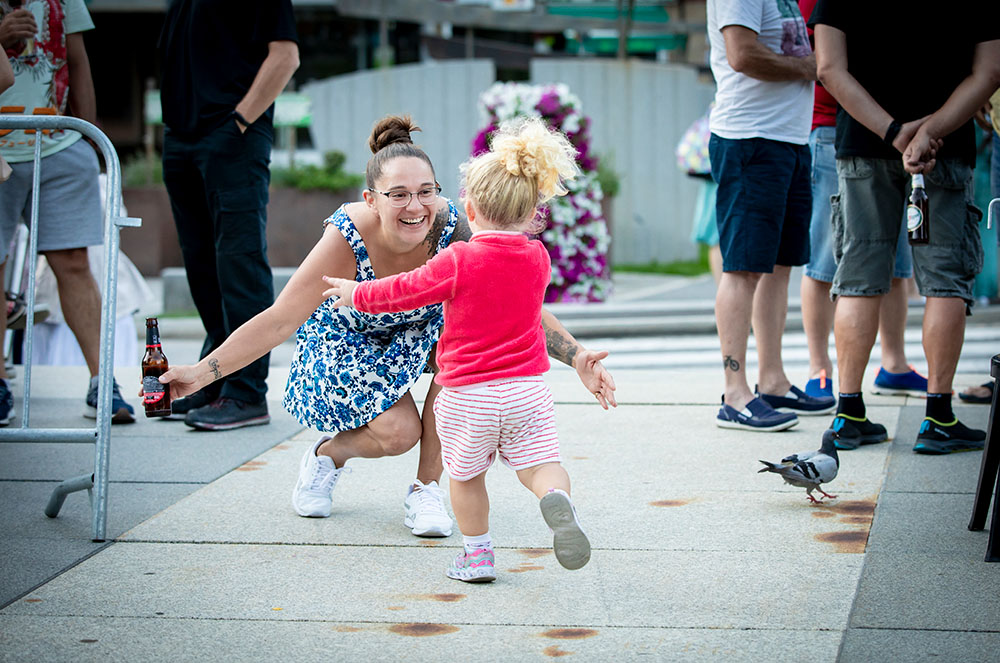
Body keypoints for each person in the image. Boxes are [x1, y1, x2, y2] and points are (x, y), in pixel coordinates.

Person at [159, 116, 617, 541]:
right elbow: (280, 320)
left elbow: (517, 306)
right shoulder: (346, 235)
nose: (416, 206)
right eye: (398, 194)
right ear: (371, 199)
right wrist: (201, 374)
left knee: (465, 354)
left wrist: (577, 355)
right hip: (351, 336)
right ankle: (328, 457)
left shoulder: (454, 227)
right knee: (399, 433)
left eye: (426, 192)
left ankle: (427, 490)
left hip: (423, 333)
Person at [323, 118, 611, 583]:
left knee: (466, 477)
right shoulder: (539, 258)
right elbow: (534, 313)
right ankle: (556, 498)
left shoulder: (458, 259)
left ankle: (477, 556)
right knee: (541, 465)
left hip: (468, 396)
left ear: (470, 211)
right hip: (527, 391)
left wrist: (354, 293)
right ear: (532, 212)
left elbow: (402, 291)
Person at [812, 1, 1000, 454]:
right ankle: (938, 417)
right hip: (946, 146)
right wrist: (930, 130)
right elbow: (990, 71)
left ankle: (849, 413)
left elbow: (829, 68)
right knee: (944, 282)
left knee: (858, 279)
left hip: (862, 142)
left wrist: (893, 131)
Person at [158, 0, 300, 430]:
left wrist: (239, 121)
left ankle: (246, 392)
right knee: (202, 265)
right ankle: (216, 379)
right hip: (182, 137)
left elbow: (285, 56)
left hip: (232, 135)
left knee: (238, 262)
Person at [0, 0, 135, 426]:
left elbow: (76, 59)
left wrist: (87, 137)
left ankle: (102, 383)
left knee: (75, 264)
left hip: (58, 141)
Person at [706, 0, 835, 433]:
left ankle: (773, 382)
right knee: (742, 268)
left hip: (789, 140)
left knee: (779, 267)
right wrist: (810, 67)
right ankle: (735, 393)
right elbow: (741, 53)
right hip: (750, 140)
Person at [797, 0, 927, 405]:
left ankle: (894, 362)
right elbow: (822, 64)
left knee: (896, 260)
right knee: (824, 260)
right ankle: (820, 367)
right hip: (834, 129)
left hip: (902, 130)